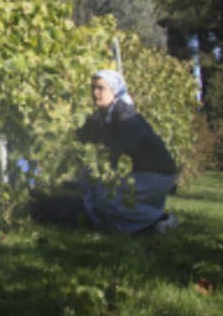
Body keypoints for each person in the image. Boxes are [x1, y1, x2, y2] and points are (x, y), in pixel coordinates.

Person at [76, 69, 179, 234]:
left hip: (155, 174)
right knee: (90, 183)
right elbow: (82, 135)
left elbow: (122, 151)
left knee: (105, 197)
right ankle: (106, 223)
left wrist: (100, 164)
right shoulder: (103, 115)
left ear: (114, 91)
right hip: (143, 173)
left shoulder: (126, 116)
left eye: (101, 88)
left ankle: (157, 220)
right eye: (93, 88)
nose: (95, 93)